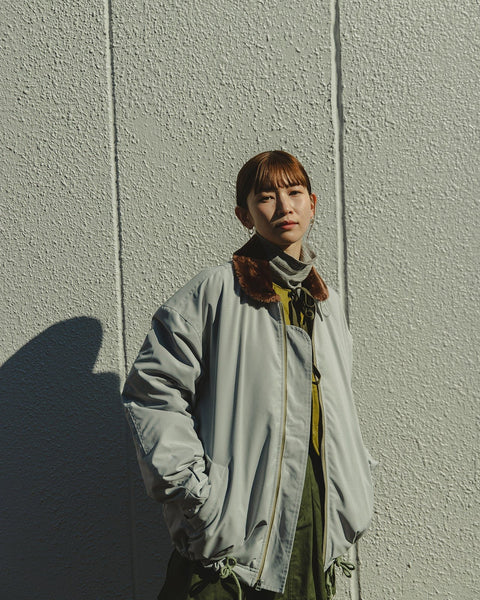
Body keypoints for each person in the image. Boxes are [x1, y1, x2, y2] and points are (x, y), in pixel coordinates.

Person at [122, 150, 377, 600]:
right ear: (245, 215)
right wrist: (196, 498)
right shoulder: (216, 292)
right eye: (266, 196)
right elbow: (152, 392)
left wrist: (355, 494)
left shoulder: (327, 305)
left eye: (294, 192)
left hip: (315, 531)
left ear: (313, 204)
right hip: (233, 544)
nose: (284, 207)